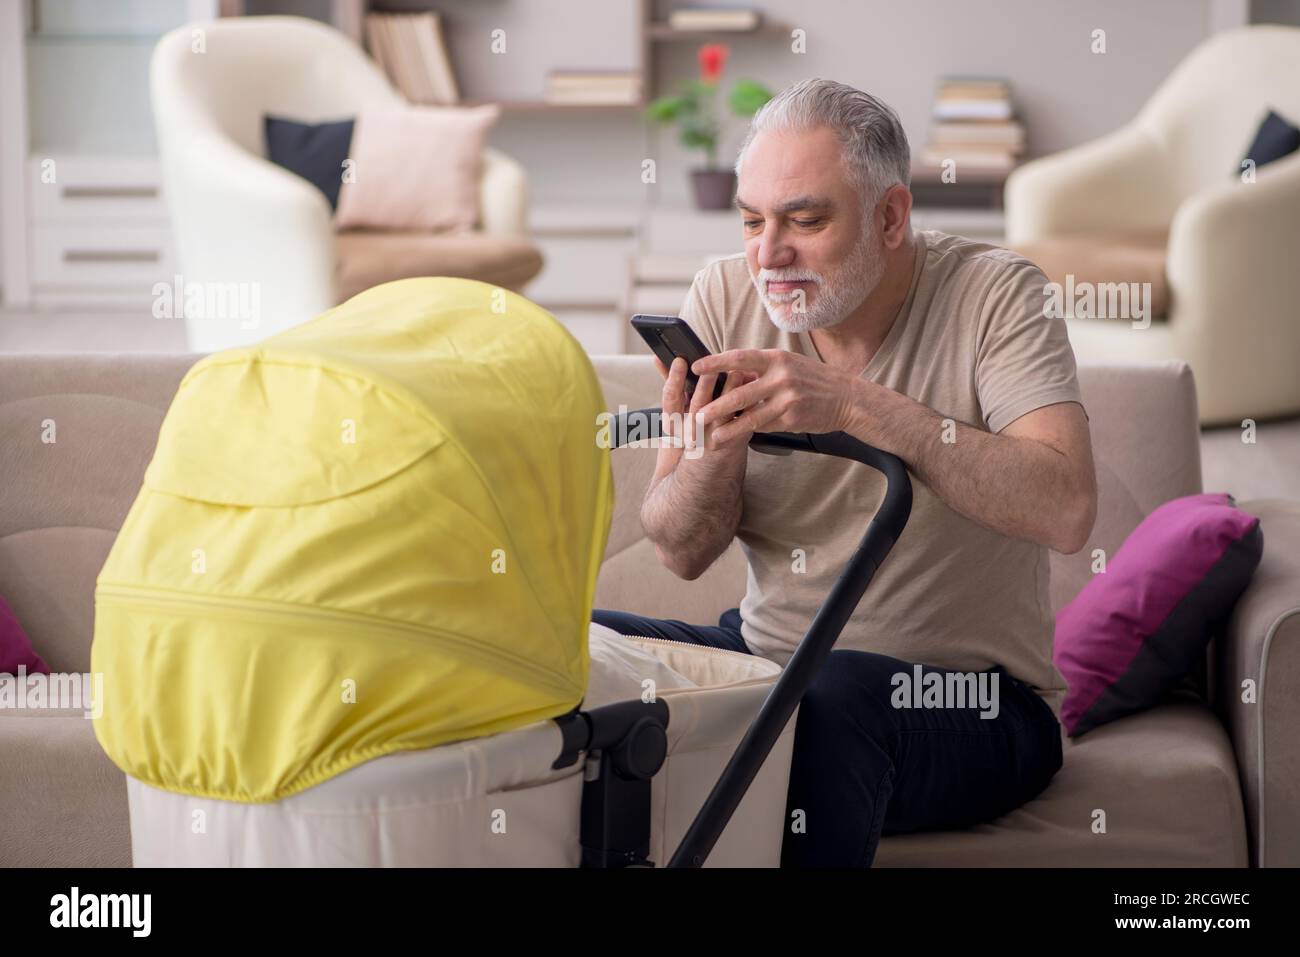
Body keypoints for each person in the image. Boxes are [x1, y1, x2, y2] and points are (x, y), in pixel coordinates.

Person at [593, 77, 1098, 867]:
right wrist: (711, 461)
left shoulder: (998, 294)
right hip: (769, 659)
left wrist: (858, 407)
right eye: (754, 220)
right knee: (570, 644)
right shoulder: (725, 294)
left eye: (806, 219)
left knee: (829, 699)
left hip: (969, 701)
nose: (768, 254)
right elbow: (680, 550)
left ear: (890, 216)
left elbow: (1066, 507)